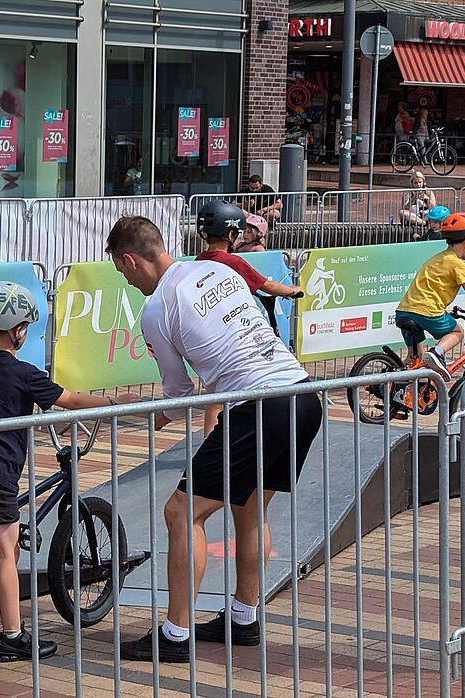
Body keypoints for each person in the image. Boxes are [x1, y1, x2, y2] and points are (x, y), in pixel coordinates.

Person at [105, 216, 321, 663]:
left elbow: (179, 394)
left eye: (122, 272)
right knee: (251, 508)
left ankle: (175, 634)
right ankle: (243, 618)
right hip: (302, 394)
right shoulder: (217, 270)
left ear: (131, 260)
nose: (126, 281)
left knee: (182, 512)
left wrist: (142, 413)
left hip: (259, 404)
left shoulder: (157, 309)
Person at [0, 281, 138, 661]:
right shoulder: (25, 373)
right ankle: (13, 637)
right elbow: (70, 400)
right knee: (5, 554)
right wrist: (113, 403)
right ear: (18, 330)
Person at [193, 201, 303, 436]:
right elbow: (267, 285)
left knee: (215, 396)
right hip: (234, 334)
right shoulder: (232, 262)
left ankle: (210, 441)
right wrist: (293, 290)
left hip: (212, 335)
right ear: (230, 234)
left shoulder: (199, 261)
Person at [397, 212, 465, 380]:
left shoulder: (436, 258)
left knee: (413, 359)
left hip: (404, 310)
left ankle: (392, 386)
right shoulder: (457, 264)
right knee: (458, 331)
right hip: (428, 312)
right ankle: (437, 352)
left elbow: (429, 289)